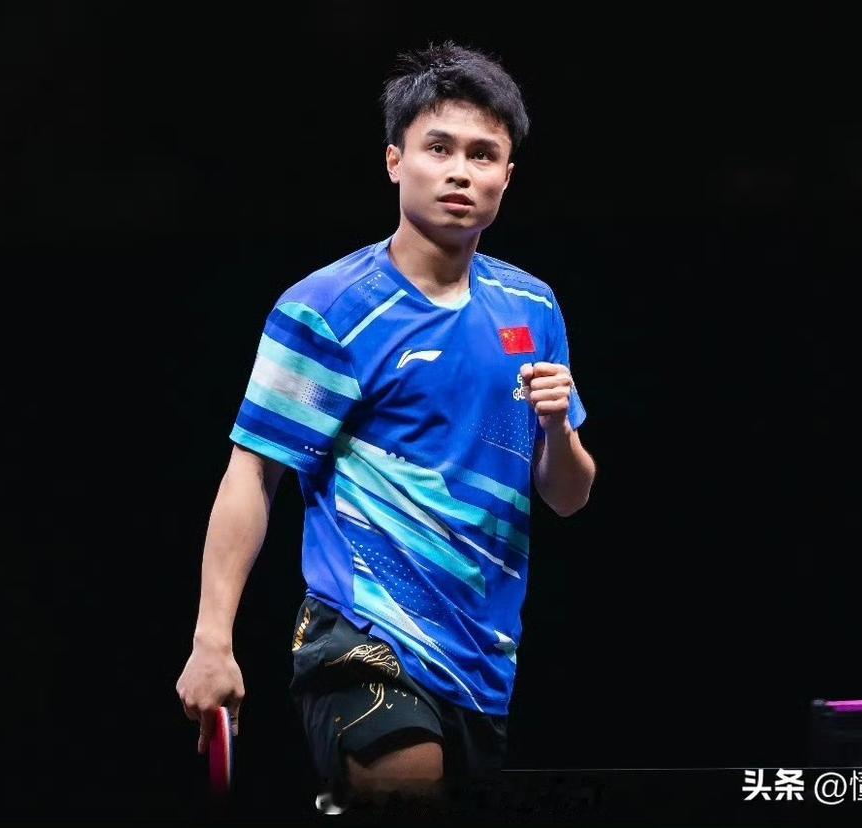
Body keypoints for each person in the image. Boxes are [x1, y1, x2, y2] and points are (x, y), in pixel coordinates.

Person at [176, 41, 595, 810]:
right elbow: (253, 472)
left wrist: (559, 430)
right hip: (362, 636)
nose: (461, 171)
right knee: (407, 792)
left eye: (483, 154)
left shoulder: (532, 308)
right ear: (395, 161)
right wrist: (212, 641)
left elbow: (567, 496)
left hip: (482, 657)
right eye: (439, 148)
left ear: (507, 175)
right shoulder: (329, 310)